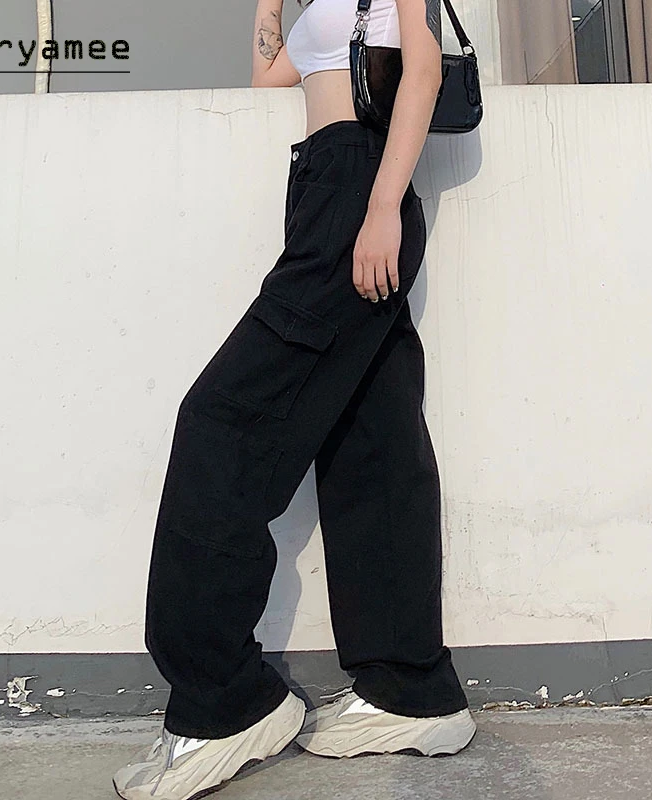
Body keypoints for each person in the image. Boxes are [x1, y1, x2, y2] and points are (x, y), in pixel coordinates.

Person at [112, 1, 475, 797]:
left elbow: (420, 73)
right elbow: (271, 75)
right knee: (371, 440)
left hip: (359, 190)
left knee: (220, 422)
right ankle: (412, 689)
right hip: (320, 188)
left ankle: (225, 703)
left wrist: (382, 206)